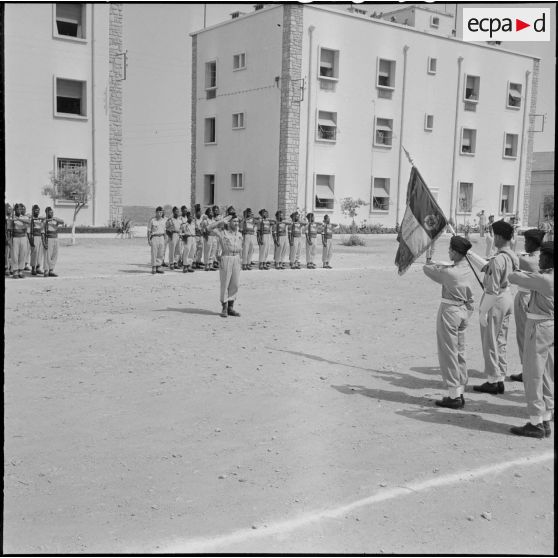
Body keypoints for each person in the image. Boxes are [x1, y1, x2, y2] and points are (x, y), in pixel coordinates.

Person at [423, 236, 475, 408]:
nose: (449, 252)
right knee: (460, 352)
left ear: (455, 251)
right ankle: (460, 391)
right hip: (463, 311)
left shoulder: (449, 272)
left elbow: (427, 269)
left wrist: (430, 257)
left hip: (450, 312)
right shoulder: (466, 267)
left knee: (448, 353)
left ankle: (454, 396)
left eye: (451, 250)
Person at [508, 241, 554, 438]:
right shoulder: (545, 277)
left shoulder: (545, 279)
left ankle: (535, 422)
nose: (539, 260)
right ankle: (545, 417)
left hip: (539, 326)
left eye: (542, 256)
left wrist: (516, 264)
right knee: (547, 374)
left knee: (533, 373)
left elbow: (513, 276)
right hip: (549, 325)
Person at [468, 220, 519, 394]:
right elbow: (486, 267)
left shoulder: (498, 259)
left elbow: (492, 289)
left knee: (489, 340)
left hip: (495, 300)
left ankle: (492, 380)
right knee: (501, 340)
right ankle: (500, 377)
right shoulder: (511, 255)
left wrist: (482, 311)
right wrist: (471, 254)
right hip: (507, 297)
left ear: (497, 236)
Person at [510, 229, 545, 383]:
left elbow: (513, 257)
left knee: (524, 336)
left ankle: (527, 370)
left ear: (533, 243)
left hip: (526, 297)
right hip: (534, 298)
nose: (525, 244)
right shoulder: (540, 257)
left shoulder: (529, 260)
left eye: (526, 241)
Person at [207, 212, 243, 318]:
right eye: (234, 221)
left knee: (235, 284)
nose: (236, 223)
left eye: (237, 221)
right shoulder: (222, 232)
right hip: (226, 258)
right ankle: (224, 307)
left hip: (236, 258)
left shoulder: (239, 233)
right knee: (225, 283)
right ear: (229, 222)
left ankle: (231, 307)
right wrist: (221, 221)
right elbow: (209, 228)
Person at [41, 207, 65, 277]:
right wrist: (43, 242)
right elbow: (42, 233)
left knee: (54, 255)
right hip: (48, 239)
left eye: (52, 212)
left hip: (55, 238)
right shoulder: (44, 221)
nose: (51, 213)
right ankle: (46, 270)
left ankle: (51, 270)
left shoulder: (55, 219)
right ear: (46, 213)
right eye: (49, 212)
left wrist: (53, 218)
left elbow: (62, 222)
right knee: (47, 255)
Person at [10, 203, 30, 278]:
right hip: (15, 237)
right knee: (15, 255)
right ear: (15, 210)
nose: (19, 210)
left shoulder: (24, 217)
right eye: (17, 209)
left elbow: (28, 222)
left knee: (23, 254)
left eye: (20, 209)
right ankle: (15, 271)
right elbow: (10, 229)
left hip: (23, 237)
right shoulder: (12, 218)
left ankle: (20, 271)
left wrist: (18, 219)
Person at [147, 206, 166, 274]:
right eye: (159, 212)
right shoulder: (152, 220)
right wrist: (149, 240)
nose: (160, 214)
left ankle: (159, 266)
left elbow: (165, 231)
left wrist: (165, 239)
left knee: (160, 253)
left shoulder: (164, 221)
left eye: (161, 212)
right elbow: (149, 231)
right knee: (154, 253)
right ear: (156, 212)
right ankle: (154, 267)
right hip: (154, 237)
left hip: (161, 237)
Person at [29, 204, 44, 276]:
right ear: (33, 211)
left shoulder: (40, 219)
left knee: (40, 253)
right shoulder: (31, 219)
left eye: (38, 211)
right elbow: (30, 231)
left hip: (40, 237)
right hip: (34, 237)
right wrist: (31, 239)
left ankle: (38, 268)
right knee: (34, 253)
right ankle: (33, 268)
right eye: (35, 210)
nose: (37, 212)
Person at [193, 204, 204, 269]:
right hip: (196, 236)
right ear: (196, 213)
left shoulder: (202, 219)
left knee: (200, 249)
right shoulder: (194, 219)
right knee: (195, 249)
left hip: (201, 236)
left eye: (200, 212)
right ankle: (194, 262)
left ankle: (198, 261)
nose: (199, 213)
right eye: (198, 212)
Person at [5, 203, 13, 276]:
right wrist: (7, 238)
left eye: (10, 209)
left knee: (11, 254)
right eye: (8, 209)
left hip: (12, 236)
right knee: (7, 253)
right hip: (7, 236)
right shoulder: (6, 218)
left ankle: (11, 268)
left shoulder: (12, 218)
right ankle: (7, 268)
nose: (9, 210)